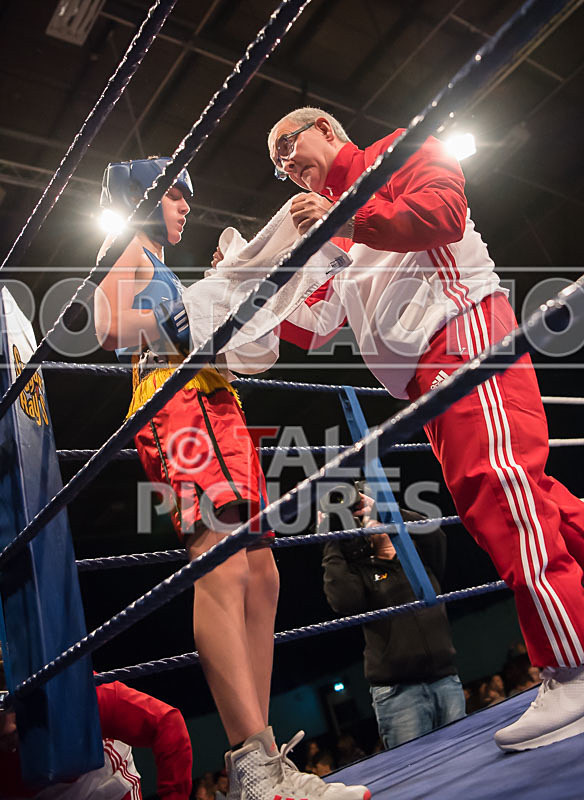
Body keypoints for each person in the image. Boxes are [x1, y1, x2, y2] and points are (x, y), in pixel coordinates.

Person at [264, 107, 584, 752]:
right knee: (531, 498)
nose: (286, 165)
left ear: (326, 128)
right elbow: (315, 326)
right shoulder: (336, 235)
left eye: (289, 145)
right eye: (276, 165)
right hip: (423, 378)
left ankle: (572, 664)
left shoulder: (398, 150)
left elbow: (443, 213)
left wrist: (344, 220)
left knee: (503, 493)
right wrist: (259, 285)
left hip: (460, 334)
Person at [94, 157, 370, 800]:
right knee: (220, 566)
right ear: (145, 196)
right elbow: (109, 327)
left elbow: (196, 324)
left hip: (216, 403)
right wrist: (183, 323)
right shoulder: (128, 244)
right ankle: (251, 765)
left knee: (263, 574)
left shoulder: (163, 265)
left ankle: (267, 754)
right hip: (175, 404)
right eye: (176, 196)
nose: (186, 206)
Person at [322, 490, 465, 748]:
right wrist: (332, 539)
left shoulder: (419, 559)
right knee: (415, 778)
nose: (374, 519)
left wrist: (387, 508)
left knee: (466, 762)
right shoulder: (363, 573)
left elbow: (434, 531)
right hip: (399, 693)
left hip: (446, 681)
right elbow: (342, 601)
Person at [0, 678, 192, 799]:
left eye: (8, 709)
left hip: (104, 786)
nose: (8, 728)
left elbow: (167, 722)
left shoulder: (73, 696)